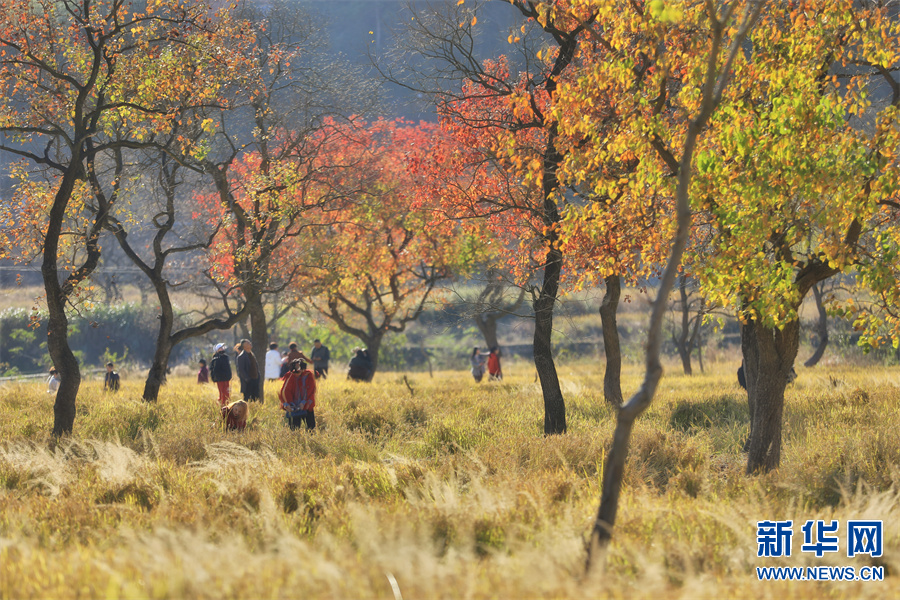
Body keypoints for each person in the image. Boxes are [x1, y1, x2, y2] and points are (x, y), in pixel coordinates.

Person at [279, 359, 316, 430]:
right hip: (293, 406)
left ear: (303, 369)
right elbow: (285, 391)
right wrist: (287, 404)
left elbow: (311, 391)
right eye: (295, 372)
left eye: (298, 371)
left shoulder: (308, 375)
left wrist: (303, 402)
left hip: (307, 405)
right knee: (294, 429)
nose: (296, 374)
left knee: (311, 428)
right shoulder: (289, 376)